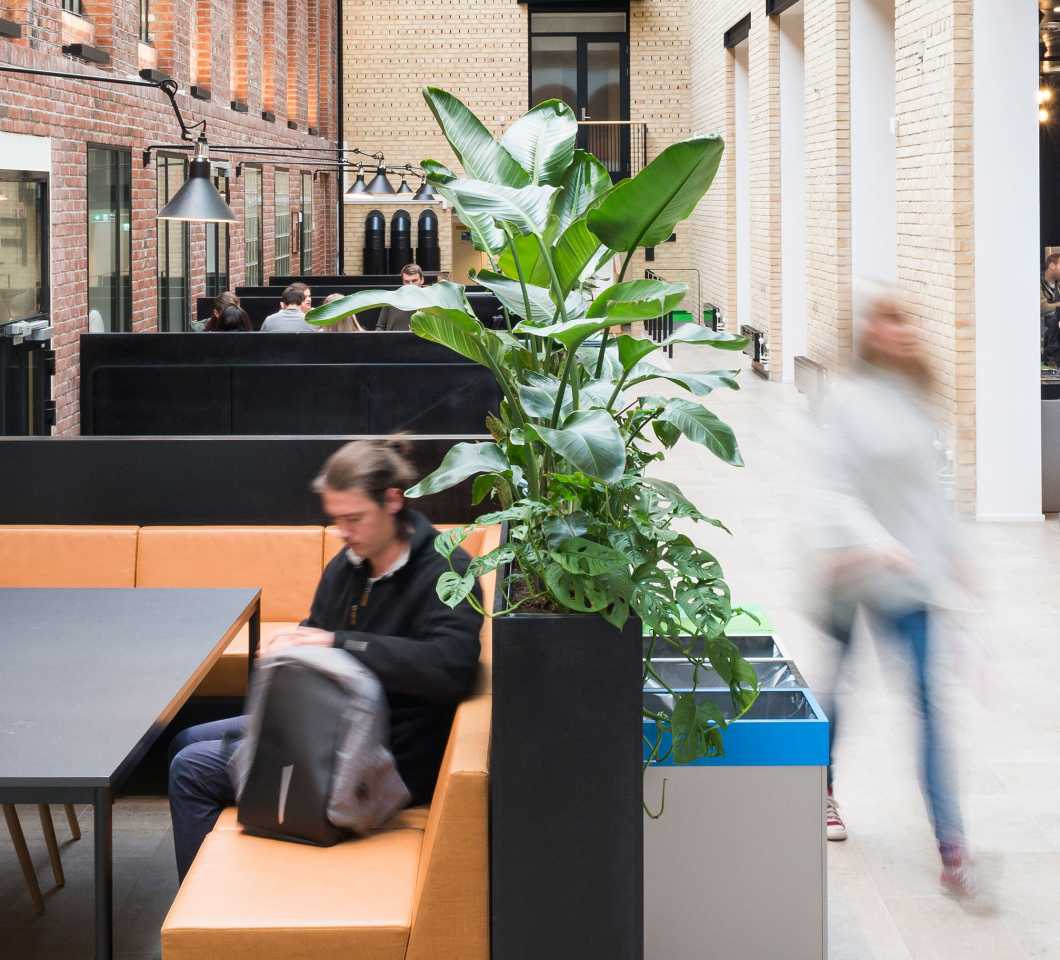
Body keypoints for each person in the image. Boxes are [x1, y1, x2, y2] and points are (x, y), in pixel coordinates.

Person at [167, 438, 483, 881]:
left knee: (190, 770)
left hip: (383, 756)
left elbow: (449, 668)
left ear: (393, 501)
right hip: (329, 725)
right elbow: (319, 631)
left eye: (354, 518)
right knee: (187, 738)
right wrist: (294, 646)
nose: (344, 531)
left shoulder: (447, 570)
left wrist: (339, 643)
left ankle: (212, 908)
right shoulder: (350, 565)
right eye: (336, 519)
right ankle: (239, 865)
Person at [814, 286, 975, 897]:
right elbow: (833, 490)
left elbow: (932, 489)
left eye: (903, 320)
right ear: (867, 334)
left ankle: (951, 840)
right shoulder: (847, 403)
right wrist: (870, 542)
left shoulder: (916, 400)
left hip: (909, 577)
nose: (899, 331)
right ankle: (824, 789)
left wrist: (955, 554)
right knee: (840, 687)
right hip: (851, 569)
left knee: (931, 704)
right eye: (886, 321)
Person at [376, 263, 425, 331]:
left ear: (422, 280)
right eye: (407, 282)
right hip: (392, 340)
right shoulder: (391, 299)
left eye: (414, 281)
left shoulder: (431, 300)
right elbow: (380, 327)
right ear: (403, 282)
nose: (410, 285)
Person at [1042, 254, 1060, 367]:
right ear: (1052, 266)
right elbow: (1042, 307)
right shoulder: (1038, 283)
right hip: (1045, 324)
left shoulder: (1057, 284)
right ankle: (1050, 360)